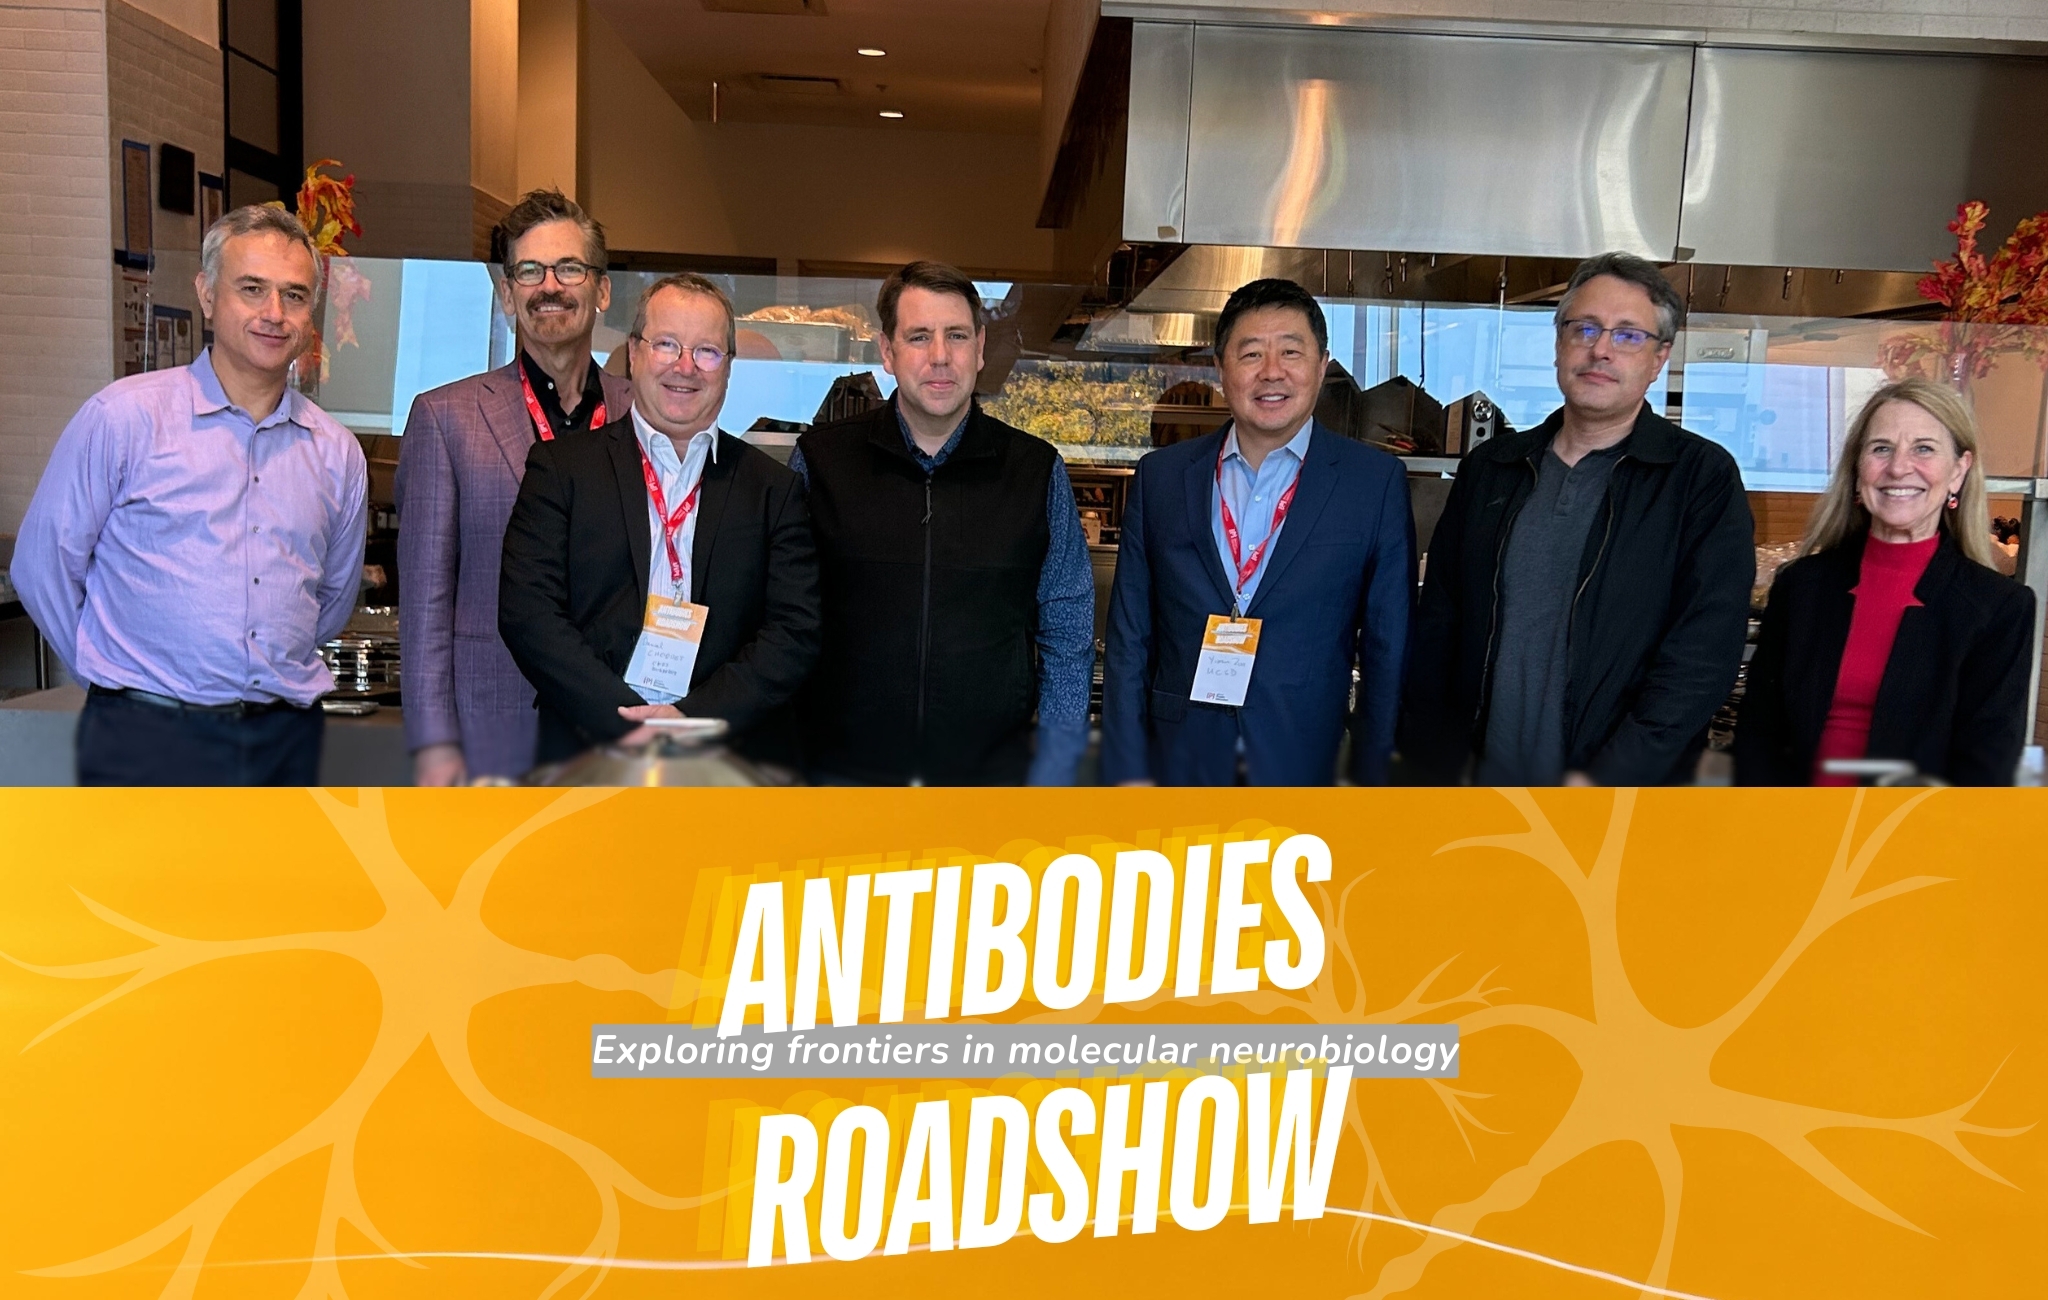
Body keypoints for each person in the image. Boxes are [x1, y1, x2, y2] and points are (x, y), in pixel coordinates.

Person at [10, 205, 366, 785]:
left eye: (295, 295)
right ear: (206, 294)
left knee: (272, 880)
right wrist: (115, 675)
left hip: (285, 741)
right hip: (143, 738)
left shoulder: (337, 452)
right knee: (144, 881)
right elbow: (41, 566)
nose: (274, 314)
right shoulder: (124, 418)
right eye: (252, 289)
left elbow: (329, 600)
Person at [1399, 252, 1754, 787]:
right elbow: (1439, 626)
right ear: (1559, 343)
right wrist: (1433, 762)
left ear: (1659, 358)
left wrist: (1612, 780)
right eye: (1583, 328)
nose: (1601, 349)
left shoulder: (1700, 479)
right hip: (1478, 790)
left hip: (1618, 802)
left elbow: (1701, 658)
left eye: (1628, 335)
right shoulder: (1492, 470)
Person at [498, 273, 821, 765]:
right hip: (589, 749)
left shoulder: (773, 490)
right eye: (667, 344)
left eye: (707, 351)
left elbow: (792, 632)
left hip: (727, 764)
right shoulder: (561, 470)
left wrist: (692, 721)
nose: (685, 367)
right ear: (634, 352)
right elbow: (529, 614)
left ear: (728, 368)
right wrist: (625, 718)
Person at [1101, 277, 1413, 786]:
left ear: (1322, 365)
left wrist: (1369, 779)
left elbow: (1388, 646)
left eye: (1291, 351)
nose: (1272, 372)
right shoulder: (1161, 478)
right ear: (1221, 368)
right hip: (1179, 763)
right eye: (1250, 355)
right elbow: (1130, 638)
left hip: (1305, 765)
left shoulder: (1372, 484)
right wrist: (1125, 773)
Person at [791, 261, 1093, 785]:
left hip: (988, 791)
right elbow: (783, 624)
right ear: (887, 352)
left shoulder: (1035, 470)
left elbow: (1067, 628)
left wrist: (1056, 768)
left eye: (955, 336)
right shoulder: (821, 462)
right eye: (918, 337)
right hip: (842, 786)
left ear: (979, 347)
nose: (939, 357)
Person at [395, 190, 633, 785]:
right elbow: (424, 604)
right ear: (507, 296)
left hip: (623, 728)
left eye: (569, 268)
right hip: (492, 729)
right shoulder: (445, 418)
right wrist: (432, 745)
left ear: (602, 290)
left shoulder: (644, 416)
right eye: (529, 271)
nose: (548, 285)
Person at [1735, 379, 2034, 786]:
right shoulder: (1801, 586)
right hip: (1790, 831)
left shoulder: (1998, 607)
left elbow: (1985, 768)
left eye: (1924, 449)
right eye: (1881, 448)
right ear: (1858, 469)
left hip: (1913, 837)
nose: (1898, 467)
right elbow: (1758, 734)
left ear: (1958, 471)